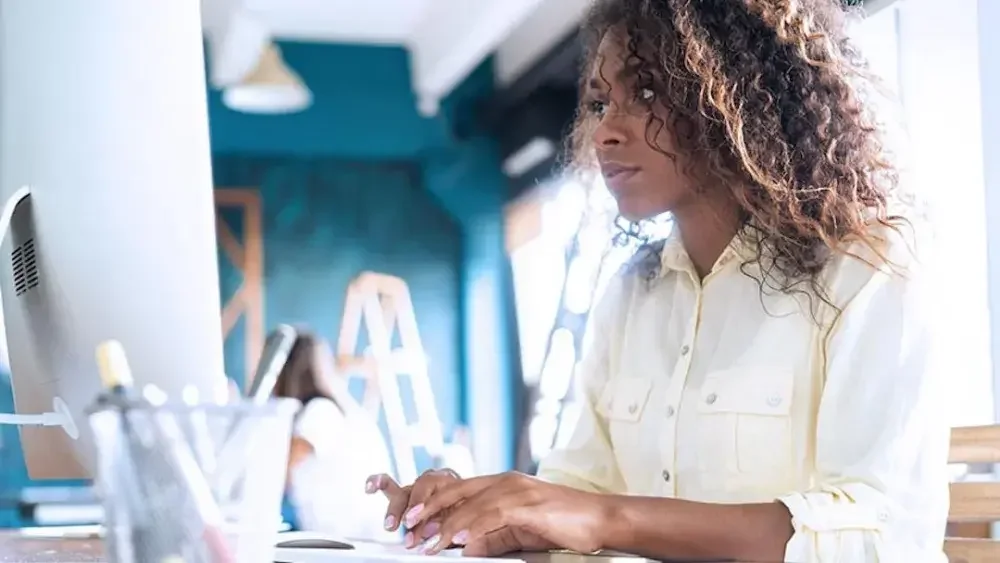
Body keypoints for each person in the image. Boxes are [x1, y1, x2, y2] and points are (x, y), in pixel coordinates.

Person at [366, 0, 951, 561]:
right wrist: (479, 512)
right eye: (600, 103)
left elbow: (882, 539)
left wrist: (605, 519)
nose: (604, 134)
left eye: (646, 93)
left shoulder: (866, 268)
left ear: (739, 96)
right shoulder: (631, 295)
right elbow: (575, 494)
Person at [274, 330, 396, 542]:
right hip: (358, 538)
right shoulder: (338, 410)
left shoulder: (319, 411)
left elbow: (278, 473)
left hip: (352, 540)